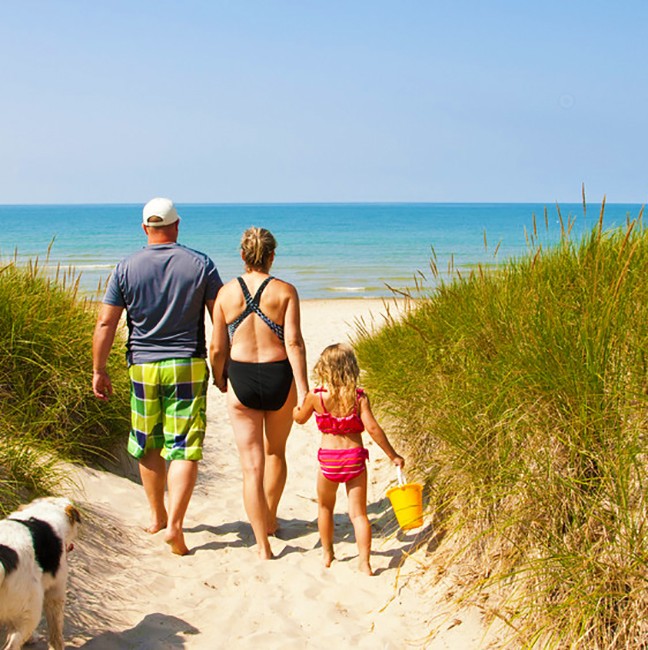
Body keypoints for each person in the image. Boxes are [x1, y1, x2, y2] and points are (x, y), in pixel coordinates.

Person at [92, 197, 222, 556]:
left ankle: (157, 516)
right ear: (177, 226)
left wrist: (98, 369)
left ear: (145, 229)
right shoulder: (201, 263)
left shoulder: (126, 267)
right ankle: (177, 526)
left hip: (144, 364)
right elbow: (220, 318)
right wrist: (222, 363)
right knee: (184, 445)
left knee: (148, 440)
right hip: (187, 363)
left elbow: (106, 322)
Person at [210, 227, 308, 559]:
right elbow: (293, 342)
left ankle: (263, 545)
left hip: (241, 376)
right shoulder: (285, 291)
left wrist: (219, 377)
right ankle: (269, 519)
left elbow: (216, 347)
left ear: (242, 255)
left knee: (250, 466)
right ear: (271, 255)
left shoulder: (225, 294)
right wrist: (304, 388)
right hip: (279, 374)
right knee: (275, 453)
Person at [293, 343, 404, 575]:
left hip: (329, 461)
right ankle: (364, 562)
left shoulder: (316, 396)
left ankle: (327, 554)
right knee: (358, 514)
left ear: (324, 368)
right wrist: (393, 455)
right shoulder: (358, 396)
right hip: (354, 459)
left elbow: (299, 419)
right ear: (351, 367)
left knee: (325, 507)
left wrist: (296, 408)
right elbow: (373, 428)